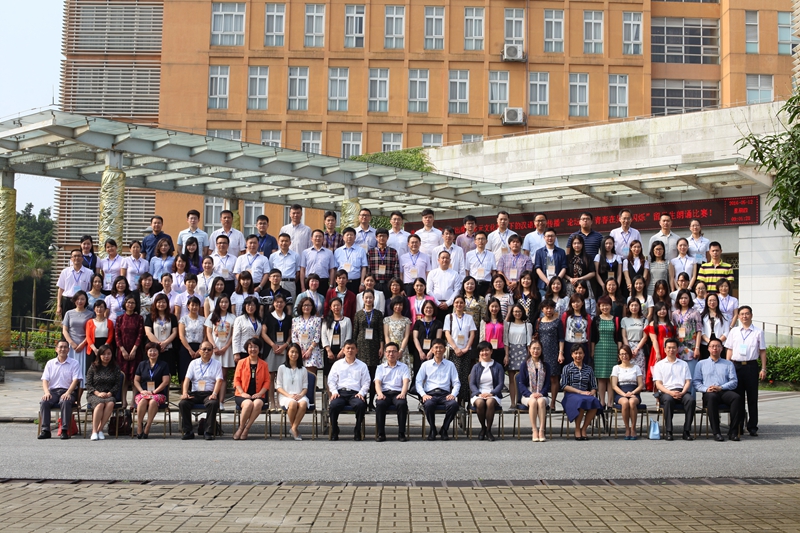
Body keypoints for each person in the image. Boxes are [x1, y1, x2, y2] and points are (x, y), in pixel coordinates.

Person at [724, 306, 766, 437]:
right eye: (742, 314)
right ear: (738, 317)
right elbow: (729, 349)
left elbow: (762, 351)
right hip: (736, 366)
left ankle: (752, 426)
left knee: (752, 398)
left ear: (751, 315)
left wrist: (763, 368)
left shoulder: (758, 332)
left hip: (751, 366)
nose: (744, 316)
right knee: (738, 398)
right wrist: (727, 367)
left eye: (747, 314)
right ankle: (739, 425)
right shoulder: (734, 331)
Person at [693, 337, 741, 442]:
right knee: (712, 398)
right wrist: (706, 389)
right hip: (709, 393)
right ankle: (716, 432)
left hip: (724, 391)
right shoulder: (701, 364)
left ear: (722, 348)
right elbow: (696, 382)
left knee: (736, 398)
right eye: (712, 346)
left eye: (718, 346)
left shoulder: (728, 364)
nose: (715, 348)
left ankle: (733, 431)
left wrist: (721, 387)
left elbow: (734, 382)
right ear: (708, 348)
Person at [416, 338, 460, 440]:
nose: (438, 350)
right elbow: (418, 382)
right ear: (432, 349)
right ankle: (432, 429)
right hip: (430, 394)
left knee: (453, 405)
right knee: (428, 404)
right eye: (436, 347)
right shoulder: (425, 365)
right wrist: (423, 395)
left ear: (444, 349)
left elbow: (456, 382)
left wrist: (453, 394)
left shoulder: (450, 365)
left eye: (441, 347)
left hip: (445, 394)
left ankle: (444, 429)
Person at [179, 341, 225, 440]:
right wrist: (185, 393)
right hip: (195, 393)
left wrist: (214, 394)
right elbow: (187, 379)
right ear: (199, 351)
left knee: (213, 403)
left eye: (209, 349)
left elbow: (219, 380)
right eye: (204, 349)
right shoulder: (193, 363)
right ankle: (188, 431)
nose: (206, 351)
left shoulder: (217, 364)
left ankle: (208, 431)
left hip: (209, 393)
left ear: (212, 352)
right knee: (183, 403)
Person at [38, 340, 83, 440]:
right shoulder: (50, 363)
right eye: (60, 347)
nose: (63, 349)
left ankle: (64, 430)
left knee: (65, 401)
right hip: (53, 392)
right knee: (44, 402)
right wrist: (46, 392)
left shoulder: (74, 363)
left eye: (65, 347)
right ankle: (45, 430)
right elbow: (45, 380)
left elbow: (76, 380)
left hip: (69, 391)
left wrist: (68, 393)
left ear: (68, 350)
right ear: (56, 349)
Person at [653, 338, 695, 441]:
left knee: (691, 400)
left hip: (682, 391)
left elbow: (688, 381)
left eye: (673, 348)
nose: (671, 350)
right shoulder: (659, 365)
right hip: (666, 392)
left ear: (677, 349)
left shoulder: (683, 364)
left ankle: (686, 431)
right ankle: (669, 431)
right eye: (669, 348)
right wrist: (670, 393)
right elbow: (658, 384)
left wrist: (682, 392)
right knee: (668, 400)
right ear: (665, 349)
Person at [327, 340, 371, 440]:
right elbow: (331, 380)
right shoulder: (337, 364)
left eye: (352, 348)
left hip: (355, 394)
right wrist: (334, 392)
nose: (350, 350)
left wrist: (361, 393)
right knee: (333, 405)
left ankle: (357, 430)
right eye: (348, 348)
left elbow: (366, 382)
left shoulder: (362, 365)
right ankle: (334, 430)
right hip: (340, 393)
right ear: (343, 350)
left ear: (357, 350)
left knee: (360, 405)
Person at [560, 344, 602, 440]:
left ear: (584, 355)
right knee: (581, 402)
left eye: (580, 353)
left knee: (595, 402)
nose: (578, 355)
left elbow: (593, 386)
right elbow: (564, 385)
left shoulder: (589, 369)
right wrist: (579, 392)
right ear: (572, 355)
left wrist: (592, 392)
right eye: (576, 353)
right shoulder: (567, 368)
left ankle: (584, 428)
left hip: (585, 393)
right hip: (571, 394)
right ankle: (577, 429)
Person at [352, 290, 384, 409]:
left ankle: (371, 402)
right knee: (362, 374)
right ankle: (363, 400)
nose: (368, 300)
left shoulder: (378, 314)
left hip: (374, 346)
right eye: (366, 298)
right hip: (361, 346)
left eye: (370, 298)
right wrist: (355, 348)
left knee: (373, 374)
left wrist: (381, 347)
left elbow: (380, 332)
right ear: (363, 299)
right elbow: (355, 332)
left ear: (374, 298)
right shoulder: (358, 314)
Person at [232, 338, 270, 440]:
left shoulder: (264, 364)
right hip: (242, 394)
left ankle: (246, 428)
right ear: (247, 349)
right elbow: (236, 380)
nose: (253, 349)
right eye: (250, 347)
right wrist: (242, 393)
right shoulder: (241, 362)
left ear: (259, 349)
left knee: (257, 403)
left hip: (259, 394)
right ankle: (241, 428)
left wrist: (260, 393)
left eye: (255, 347)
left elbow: (267, 381)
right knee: (248, 403)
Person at [590, 296, 623, 410]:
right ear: (599, 307)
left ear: (610, 305)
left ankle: (610, 403)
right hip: (600, 349)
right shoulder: (596, 319)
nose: (605, 307)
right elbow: (593, 338)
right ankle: (602, 402)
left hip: (612, 349)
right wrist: (592, 352)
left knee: (611, 377)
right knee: (601, 377)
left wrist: (619, 352)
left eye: (607, 305)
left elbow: (619, 337)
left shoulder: (616, 319)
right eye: (602, 305)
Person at [132, 342, 170, 439]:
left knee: (153, 401)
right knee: (143, 401)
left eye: (155, 350)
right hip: (143, 393)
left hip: (158, 393)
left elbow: (165, 381)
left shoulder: (163, 365)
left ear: (158, 352)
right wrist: (141, 391)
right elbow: (136, 380)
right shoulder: (142, 364)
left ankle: (148, 425)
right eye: (150, 350)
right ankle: (139, 424)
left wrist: (154, 392)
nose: (153, 353)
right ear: (146, 352)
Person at [374, 342, 411, 442]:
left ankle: (401, 433)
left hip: (398, 393)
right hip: (384, 393)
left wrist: (403, 394)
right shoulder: (380, 367)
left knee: (402, 404)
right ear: (385, 353)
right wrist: (380, 394)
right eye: (389, 351)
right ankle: (381, 433)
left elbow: (405, 382)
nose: (391, 354)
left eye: (394, 351)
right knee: (380, 404)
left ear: (398, 353)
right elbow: (377, 383)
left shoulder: (403, 367)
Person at [469, 341, 504, 441]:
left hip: (493, 394)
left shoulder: (498, 366)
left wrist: (492, 393)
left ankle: (488, 430)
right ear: (479, 353)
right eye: (482, 351)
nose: (484, 353)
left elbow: (500, 384)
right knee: (480, 403)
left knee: (490, 402)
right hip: (478, 394)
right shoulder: (476, 367)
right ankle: (483, 427)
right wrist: (478, 393)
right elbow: (472, 384)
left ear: (491, 351)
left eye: (486, 350)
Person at [62, 291, 94, 401]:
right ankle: (68, 397)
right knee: (69, 372)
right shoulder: (69, 313)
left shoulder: (90, 314)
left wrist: (82, 344)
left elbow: (90, 332)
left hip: (84, 347)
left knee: (81, 374)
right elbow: (65, 330)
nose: (80, 301)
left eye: (82, 299)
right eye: (78, 299)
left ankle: (78, 400)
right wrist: (72, 343)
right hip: (71, 348)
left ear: (86, 301)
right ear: (74, 300)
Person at [84, 344, 120, 441]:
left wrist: (110, 393)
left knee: (110, 403)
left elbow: (117, 384)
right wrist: (97, 393)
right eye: (103, 354)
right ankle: (94, 431)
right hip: (94, 394)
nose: (106, 356)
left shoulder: (115, 368)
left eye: (109, 354)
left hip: (109, 394)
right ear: (99, 355)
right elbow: (88, 384)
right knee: (100, 404)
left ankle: (100, 429)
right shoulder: (93, 367)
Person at [205, 295, 235, 408]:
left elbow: (233, 335)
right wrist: (213, 347)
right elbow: (208, 332)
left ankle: (221, 401)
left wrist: (226, 347)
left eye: (226, 302)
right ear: (218, 303)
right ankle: (212, 399)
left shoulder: (232, 317)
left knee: (223, 376)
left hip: (226, 349)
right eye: (221, 302)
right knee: (213, 375)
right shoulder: (212, 316)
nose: (224, 304)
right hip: (214, 349)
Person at [518, 339, 551, 441]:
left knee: (540, 401)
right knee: (533, 401)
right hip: (528, 394)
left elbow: (547, 384)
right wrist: (530, 394)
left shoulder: (546, 366)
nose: (536, 351)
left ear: (541, 350)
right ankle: (534, 430)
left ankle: (541, 430)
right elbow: (521, 384)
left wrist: (541, 393)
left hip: (542, 394)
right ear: (529, 349)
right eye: (534, 348)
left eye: (538, 348)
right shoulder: (524, 365)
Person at [534, 300, 564, 410]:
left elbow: (561, 339)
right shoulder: (538, 321)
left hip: (554, 353)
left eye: (551, 308)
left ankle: (553, 403)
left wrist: (560, 353)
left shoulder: (557, 322)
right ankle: (542, 400)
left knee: (554, 378)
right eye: (546, 308)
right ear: (542, 309)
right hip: (540, 353)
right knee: (540, 378)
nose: (549, 310)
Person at [262, 293, 291, 406]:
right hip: (271, 349)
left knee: (281, 377)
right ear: (273, 303)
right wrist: (273, 345)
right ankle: (272, 402)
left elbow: (290, 334)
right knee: (271, 376)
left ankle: (280, 401)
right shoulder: (268, 316)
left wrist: (285, 345)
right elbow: (263, 333)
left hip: (284, 349)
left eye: (281, 302)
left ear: (285, 303)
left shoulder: (288, 318)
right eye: (277, 302)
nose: (279, 304)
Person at [116, 295, 144, 409]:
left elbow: (140, 335)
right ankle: (124, 401)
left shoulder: (139, 318)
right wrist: (122, 349)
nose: (130, 305)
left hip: (135, 351)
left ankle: (133, 401)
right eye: (128, 302)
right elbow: (117, 335)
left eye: (133, 303)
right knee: (124, 378)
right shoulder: (120, 318)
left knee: (134, 378)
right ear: (125, 304)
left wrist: (134, 350)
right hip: (122, 352)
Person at [276, 342, 309, 440]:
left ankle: (293, 428)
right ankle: (294, 429)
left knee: (303, 403)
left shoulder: (303, 369)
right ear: (288, 353)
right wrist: (289, 396)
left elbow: (305, 387)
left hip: (300, 395)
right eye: (292, 352)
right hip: (286, 396)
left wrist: (300, 395)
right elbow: (278, 387)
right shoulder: (281, 368)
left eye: (296, 352)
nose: (294, 354)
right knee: (293, 403)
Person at [610, 345, 644, 439]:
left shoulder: (636, 367)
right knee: (625, 402)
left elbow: (640, 385)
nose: (624, 356)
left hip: (634, 392)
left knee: (632, 402)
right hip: (621, 393)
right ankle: (627, 428)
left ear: (630, 354)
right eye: (621, 354)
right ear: (619, 356)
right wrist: (624, 394)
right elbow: (614, 385)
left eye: (626, 354)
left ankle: (633, 428)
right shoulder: (616, 368)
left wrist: (632, 393)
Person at [672, 289, 703, 387]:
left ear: (690, 299)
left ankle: (691, 396)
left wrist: (697, 348)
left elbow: (699, 331)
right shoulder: (674, 314)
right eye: (681, 298)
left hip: (691, 348)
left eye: (686, 298)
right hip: (678, 348)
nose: (683, 300)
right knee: (679, 376)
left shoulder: (695, 313)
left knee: (691, 376)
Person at [504, 303, 532, 408]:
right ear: (512, 313)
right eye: (515, 311)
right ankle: (513, 402)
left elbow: (529, 342)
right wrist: (506, 355)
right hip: (511, 351)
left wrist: (530, 357)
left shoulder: (527, 325)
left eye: (519, 311)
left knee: (522, 378)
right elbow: (506, 341)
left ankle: (521, 400)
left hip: (523, 351)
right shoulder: (508, 325)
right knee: (511, 379)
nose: (517, 313)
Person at [145, 293, 179, 377]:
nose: (161, 304)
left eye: (164, 302)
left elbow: (174, 332)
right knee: (153, 374)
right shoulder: (150, 317)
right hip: (154, 350)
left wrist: (165, 343)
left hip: (168, 349)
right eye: (159, 302)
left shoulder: (172, 317)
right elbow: (148, 332)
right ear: (155, 303)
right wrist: (158, 345)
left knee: (167, 374)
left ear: (167, 304)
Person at [644, 301, 676, 391]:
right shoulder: (653, 323)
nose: (662, 311)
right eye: (660, 309)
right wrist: (657, 353)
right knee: (657, 371)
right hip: (658, 349)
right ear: (656, 311)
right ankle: (657, 392)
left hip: (670, 349)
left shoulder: (671, 323)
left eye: (664, 309)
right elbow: (654, 340)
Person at [321, 297, 353, 387]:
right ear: (331, 307)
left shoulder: (347, 320)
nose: (336, 307)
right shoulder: (326, 320)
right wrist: (328, 350)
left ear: (341, 306)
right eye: (334, 306)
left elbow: (348, 336)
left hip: (343, 351)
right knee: (329, 374)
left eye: (338, 305)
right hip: (329, 351)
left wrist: (343, 351)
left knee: (342, 373)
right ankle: (330, 394)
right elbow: (323, 336)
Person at [56, 249, 93, 318]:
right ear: (71, 259)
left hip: (82, 302)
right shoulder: (65, 272)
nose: (77, 258)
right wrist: (58, 306)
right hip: (68, 301)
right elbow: (60, 289)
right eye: (74, 256)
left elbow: (91, 289)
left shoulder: (89, 273)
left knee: (82, 322)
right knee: (66, 322)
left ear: (82, 258)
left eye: (79, 256)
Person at [292, 296, 324, 377]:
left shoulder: (317, 320)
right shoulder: (295, 320)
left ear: (312, 307)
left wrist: (309, 350)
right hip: (299, 351)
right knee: (299, 377)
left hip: (312, 350)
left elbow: (317, 336)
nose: (306, 307)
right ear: (301, 306)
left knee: (310, 377)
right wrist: (300, 350)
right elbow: (294, 336)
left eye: (309, 305)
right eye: (304, 305)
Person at [426, 250, 462, 322]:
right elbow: (429, 290)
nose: (445, 260)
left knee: (450, 324)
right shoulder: (432, 273)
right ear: (438, 260)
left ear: (450, 260)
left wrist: (448, 303)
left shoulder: (455, 274)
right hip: (435, 304)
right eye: (443, 258)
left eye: (447, 258)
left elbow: (457, 290)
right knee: (437, 325)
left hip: (450, 305)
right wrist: (438, 303)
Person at [411, 300, 443, 378]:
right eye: (427, 308)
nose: (428, 310)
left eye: (431, 308)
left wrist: (431, 352)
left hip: (433, 351)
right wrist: (420, 351)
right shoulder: (418, 323)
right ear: (423, 309)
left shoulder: (438, 323)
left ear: (434, 309)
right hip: (419, 351)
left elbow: (438, 339)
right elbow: (415, 338)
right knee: (418, 372)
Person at [178, 296, 205, 384]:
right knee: (184, 371)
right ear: (188, 306)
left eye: (196, 305)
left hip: (200, 348)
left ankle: (198, 390)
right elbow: (181, 336)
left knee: (199, 371)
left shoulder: (203, 319)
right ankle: (184, 390)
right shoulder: (183, 319)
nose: (194, 307)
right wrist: (189, 349)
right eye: (192, 305)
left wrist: (200, 349)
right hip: (186, 347)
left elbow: (205, 336)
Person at [299, 230, 336, 294]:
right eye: (316, 236)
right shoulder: (305, 252)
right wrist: (303, 287)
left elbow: (332, 270)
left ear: (323, 239)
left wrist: (331, 286)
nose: (318, 238)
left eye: (320, 236)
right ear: (311, 238)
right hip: (309, 281)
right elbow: (302, 270)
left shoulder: (329, 253)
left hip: (323, 282)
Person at [333, 227, 368, 295]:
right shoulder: (337, 251)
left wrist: (362, 283)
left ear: (355, 237)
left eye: (351, 235)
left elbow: (364, 268)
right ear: (343, 237)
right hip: (341, 283)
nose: (349, 237)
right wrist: (334, 283)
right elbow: (335, 269)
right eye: (347, 235)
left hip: (355, 282)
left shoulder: (361, 250)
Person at [534, 229, 567, 298]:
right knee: (544, 303)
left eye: (552, 236)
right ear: (544, 237)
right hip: (543, 285)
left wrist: (556, 281)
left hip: (558, 286)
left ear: (555, 237)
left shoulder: (561, 252)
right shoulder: (539, 252)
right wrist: (547, 281)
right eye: (548, 236)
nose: (550, 238)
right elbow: (537, 268)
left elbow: (564, 267)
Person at [621, 299, 649, 379]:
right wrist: (628, 349)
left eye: (636, 305)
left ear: (639, 307)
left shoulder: (644, 320)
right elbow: (624, 336)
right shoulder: (624, 320)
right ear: (628, 307)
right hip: (628, 346)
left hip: (639, 346)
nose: (634, 307)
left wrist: (637, 349)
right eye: (632, 305)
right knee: (628, 369)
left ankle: (641, 385)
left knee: (640, 370)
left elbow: (645, 337)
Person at [465, 230, 496, 297]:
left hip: (487, 284)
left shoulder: (491, 255)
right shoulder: (469, 254)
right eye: (478, 239)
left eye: (483, 239)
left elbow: (494, 271)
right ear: (475, 241)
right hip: (473, 285)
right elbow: (467, 271)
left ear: (486, 241)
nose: (480, 241)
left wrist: (492, 285)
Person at [384, 296, 412, 368]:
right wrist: (390, 349)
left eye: (400, 305)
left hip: (402, 349)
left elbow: (406, 336)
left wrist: (401, 351)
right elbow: (386, 335)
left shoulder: (406, 320)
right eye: (396, 304)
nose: (398, 307)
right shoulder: (387, 320)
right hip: (389, 349)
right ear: (392, 305)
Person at [700, 292, 729, 360]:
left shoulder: (724, 316)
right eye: (710, 300)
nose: (712, 302)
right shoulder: (702, 316)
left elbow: (726, 332)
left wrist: (717, 343)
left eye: (714, 300)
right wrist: (710, 342)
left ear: (717, 302)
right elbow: (701, 331)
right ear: (706, 302)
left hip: (720, 343)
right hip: (706, 343)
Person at [232, 295, 261, 362]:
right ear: (244, 306)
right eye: (248, 305)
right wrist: (236, 353)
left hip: (255, 351)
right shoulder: (239, 319)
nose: (250, 307)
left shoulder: (259, 320)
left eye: (253, 305)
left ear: (256, 307)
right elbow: (236, 337)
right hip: (243, 351)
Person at [86, 299, 114, 367]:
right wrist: (95, 349)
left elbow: (110, 336)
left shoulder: (110, 322)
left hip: (105, 347)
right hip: (93, 348)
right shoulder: (90, 322)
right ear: (94, 309)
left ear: (105, 309)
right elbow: (88, 337)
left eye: (101, 307)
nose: (99, 309)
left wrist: (104, 349)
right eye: (97, 307)